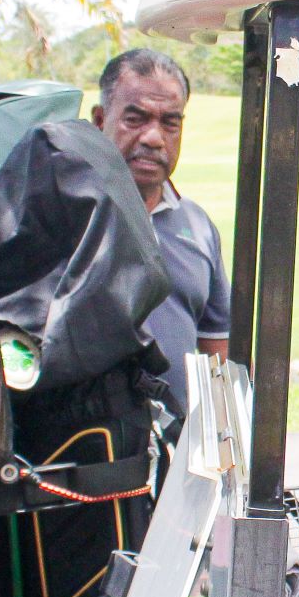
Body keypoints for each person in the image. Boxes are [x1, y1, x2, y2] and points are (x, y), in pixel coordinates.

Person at [92, 49, 229, 416]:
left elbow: (217, 355)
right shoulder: (69, 216)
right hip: (88, 446)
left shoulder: (198, 227)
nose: (153, 138)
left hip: (180, 446)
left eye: (170, 123)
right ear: (99, 121)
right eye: (135, 119)